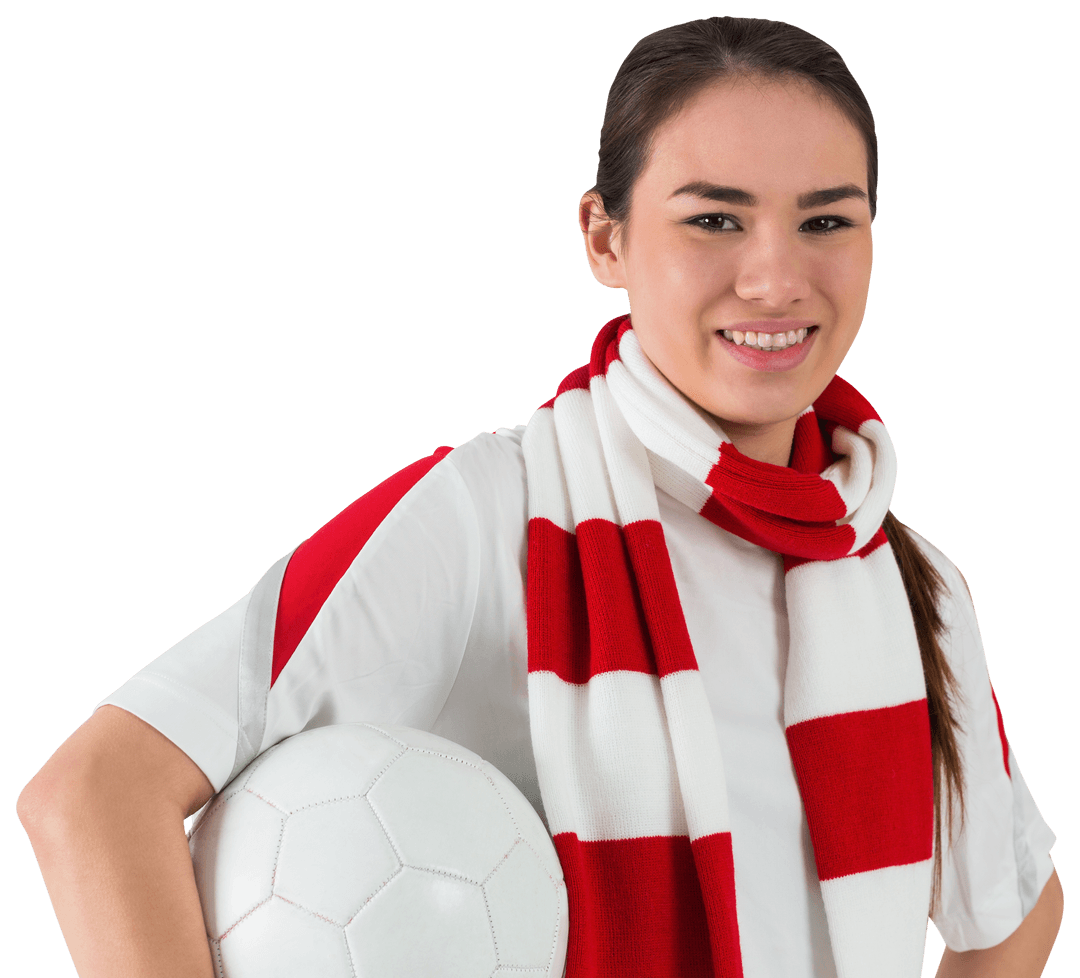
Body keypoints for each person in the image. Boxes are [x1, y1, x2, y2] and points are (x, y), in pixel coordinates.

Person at [17, 15, 1063, 978]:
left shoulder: (903, 577)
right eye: (713, 220)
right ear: (603, 238)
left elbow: (1015, 913)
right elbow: (97, 795)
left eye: (828, 220)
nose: (777, 279)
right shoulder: (485, 513)